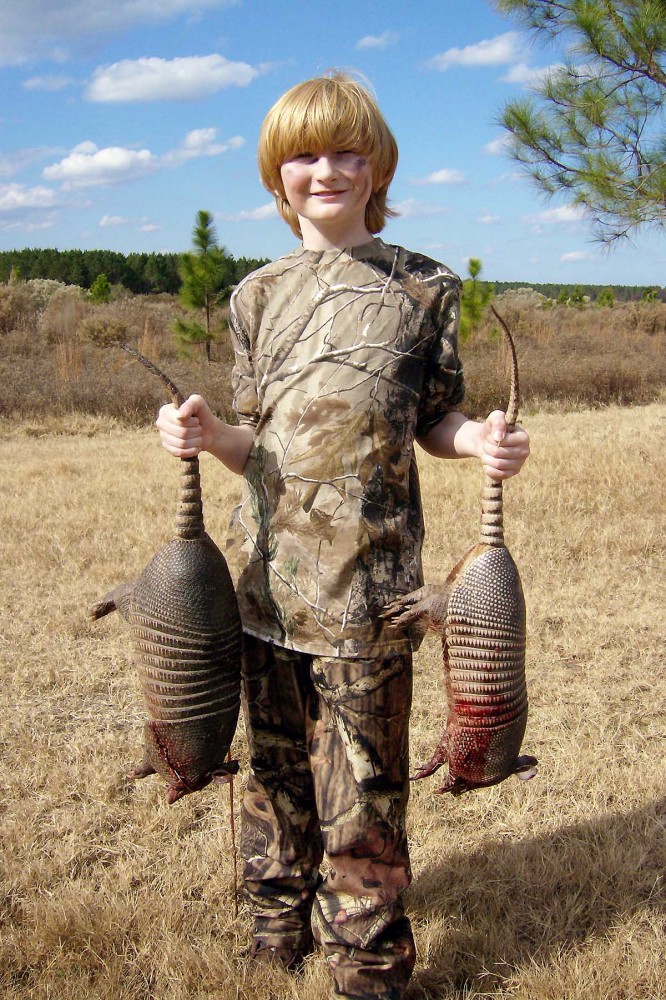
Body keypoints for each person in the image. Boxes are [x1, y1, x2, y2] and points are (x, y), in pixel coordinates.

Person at [156, 72, 530, 1000]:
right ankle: (273, 926)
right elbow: (260, 446)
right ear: (277, 178)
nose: (328, 170)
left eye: (347, 151)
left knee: (364, 791)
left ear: (379, 167)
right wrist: (205, 435)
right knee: (275, 779)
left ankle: (367, 963)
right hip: (265, 589)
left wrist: (477, 438)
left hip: (372, 594)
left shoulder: (424, 286)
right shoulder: (255, 296)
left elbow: (435, 422)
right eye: (305, 156)